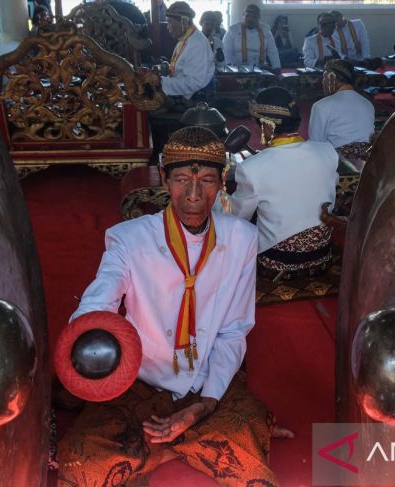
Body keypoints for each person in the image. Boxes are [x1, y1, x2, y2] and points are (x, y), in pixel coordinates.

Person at [58, 126, 291, 486]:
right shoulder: (129, 238)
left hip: (204, 378)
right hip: (140, 378)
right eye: (182, 179)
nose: (194, 195)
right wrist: (88, 329)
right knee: (83, 464)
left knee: (248, 457)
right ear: (165, 179)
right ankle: (185, 444)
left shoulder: (242, 238)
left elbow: (233, 329)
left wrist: (205, 404)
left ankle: (166, 446)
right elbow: (101, 295)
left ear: (222, 182)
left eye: (208, 181)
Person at [230, 87, 339, 279]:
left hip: (279, 261)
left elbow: (238, 217)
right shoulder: (327, 151)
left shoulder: (251, 168)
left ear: (267, 126)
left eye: (257, 123)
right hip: (322, 254)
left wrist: (219, 198)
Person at [309, 60, 374, 170]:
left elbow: (316, 145)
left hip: (340, 168)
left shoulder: (321, 106)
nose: (322, 83)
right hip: (368, 165)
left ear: (331, 77)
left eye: (324, 78)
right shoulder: (367, 104)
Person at [161, 1, 214, 102]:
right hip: (184, 94)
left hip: (196, 101)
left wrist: (162, 83)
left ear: (183, 22)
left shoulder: (196, 43)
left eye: (169, 22)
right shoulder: (186, 39)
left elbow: (194, 83)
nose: (168, 27)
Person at [222, 4, 281, 74]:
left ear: (259, 18)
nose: (250, 19)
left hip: (261, 68)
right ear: (243, 16)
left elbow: (273, 50)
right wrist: (230, 69)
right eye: (248, 16)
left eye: (254, 17)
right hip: (238, 70)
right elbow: (226, 51)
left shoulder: (265, 29)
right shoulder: (233, 30)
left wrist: (276, 67)